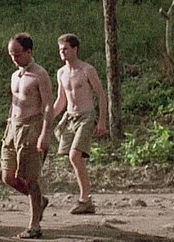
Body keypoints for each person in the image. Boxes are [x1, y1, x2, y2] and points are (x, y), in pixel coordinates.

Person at [2, 32, 53, 239]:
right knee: (8, 176)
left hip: (31, 126)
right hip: (13, 127)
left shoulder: (40, 74)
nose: (14, 58)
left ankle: (34, 225)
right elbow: (14, 102)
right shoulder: (15, 75)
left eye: (17, 54)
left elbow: (48, 105)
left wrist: (45, 134)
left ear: (28, 52)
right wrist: (9, 124)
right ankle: (40, 202)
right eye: (11, 54)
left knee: (30, 177)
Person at [52, 34, 108, 215]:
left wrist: (102, 120)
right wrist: (47, 119)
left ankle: (85, 199)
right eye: (60, 49)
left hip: (86, 116)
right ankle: (86, 199)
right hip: (70, 117)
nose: (62, 52)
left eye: (66, 49)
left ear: (75, 49)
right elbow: (61, 100)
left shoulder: (87, 70)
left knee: (75, 156)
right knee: (74, 158)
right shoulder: (61, 73)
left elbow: (101, 95)